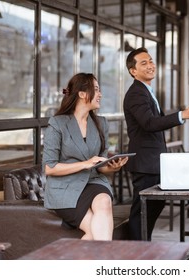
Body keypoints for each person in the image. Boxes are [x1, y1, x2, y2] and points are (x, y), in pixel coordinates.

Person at [123, 47, 189, 240]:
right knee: (142, 212)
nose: (150, 65)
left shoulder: (147, 91)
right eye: (144, 63)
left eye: (151, 61)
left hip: (154, 162)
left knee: (152, 209)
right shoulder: (136, 93)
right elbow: (150, 123)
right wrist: (182, 115)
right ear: (133, 71)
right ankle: (134, 253)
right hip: (145, 163)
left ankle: (143, 246)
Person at [43, 73, 128, 241]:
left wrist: (110, 167)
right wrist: (85, 163)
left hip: (93, 182)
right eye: (96, 90)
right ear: (82, 94)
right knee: (94, 234)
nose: (100, 94)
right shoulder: (57, 123)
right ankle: (101, 264)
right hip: (65, 188)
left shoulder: (101, 123)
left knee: (104, 201)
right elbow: (49, 168)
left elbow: (99, 164)